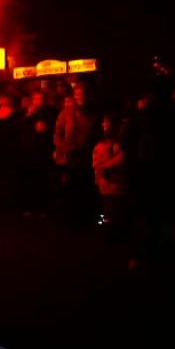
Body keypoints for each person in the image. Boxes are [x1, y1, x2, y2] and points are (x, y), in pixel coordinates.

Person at [54, 84, 103, 230]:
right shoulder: (66, 112)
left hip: (88, 155)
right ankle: (73, 219)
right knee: (72, 188)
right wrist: (63, 148)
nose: (80, 96)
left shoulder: (94, 113)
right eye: (78, 94)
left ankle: (86, 219)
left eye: (83, 93)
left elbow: (98, 133)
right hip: (71, 155)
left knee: (86, 187)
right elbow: (58, 133)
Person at [93, 112, 130, 241]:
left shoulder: (119, 145)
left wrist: (105, 166)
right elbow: (98, 163)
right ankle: (106, 227)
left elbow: (121, 159)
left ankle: (113, 229)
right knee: (107, 208)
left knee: (114, 209)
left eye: (106, 123)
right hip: (107, 182)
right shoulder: (103, 144)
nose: (103, 125)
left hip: (115, 182)